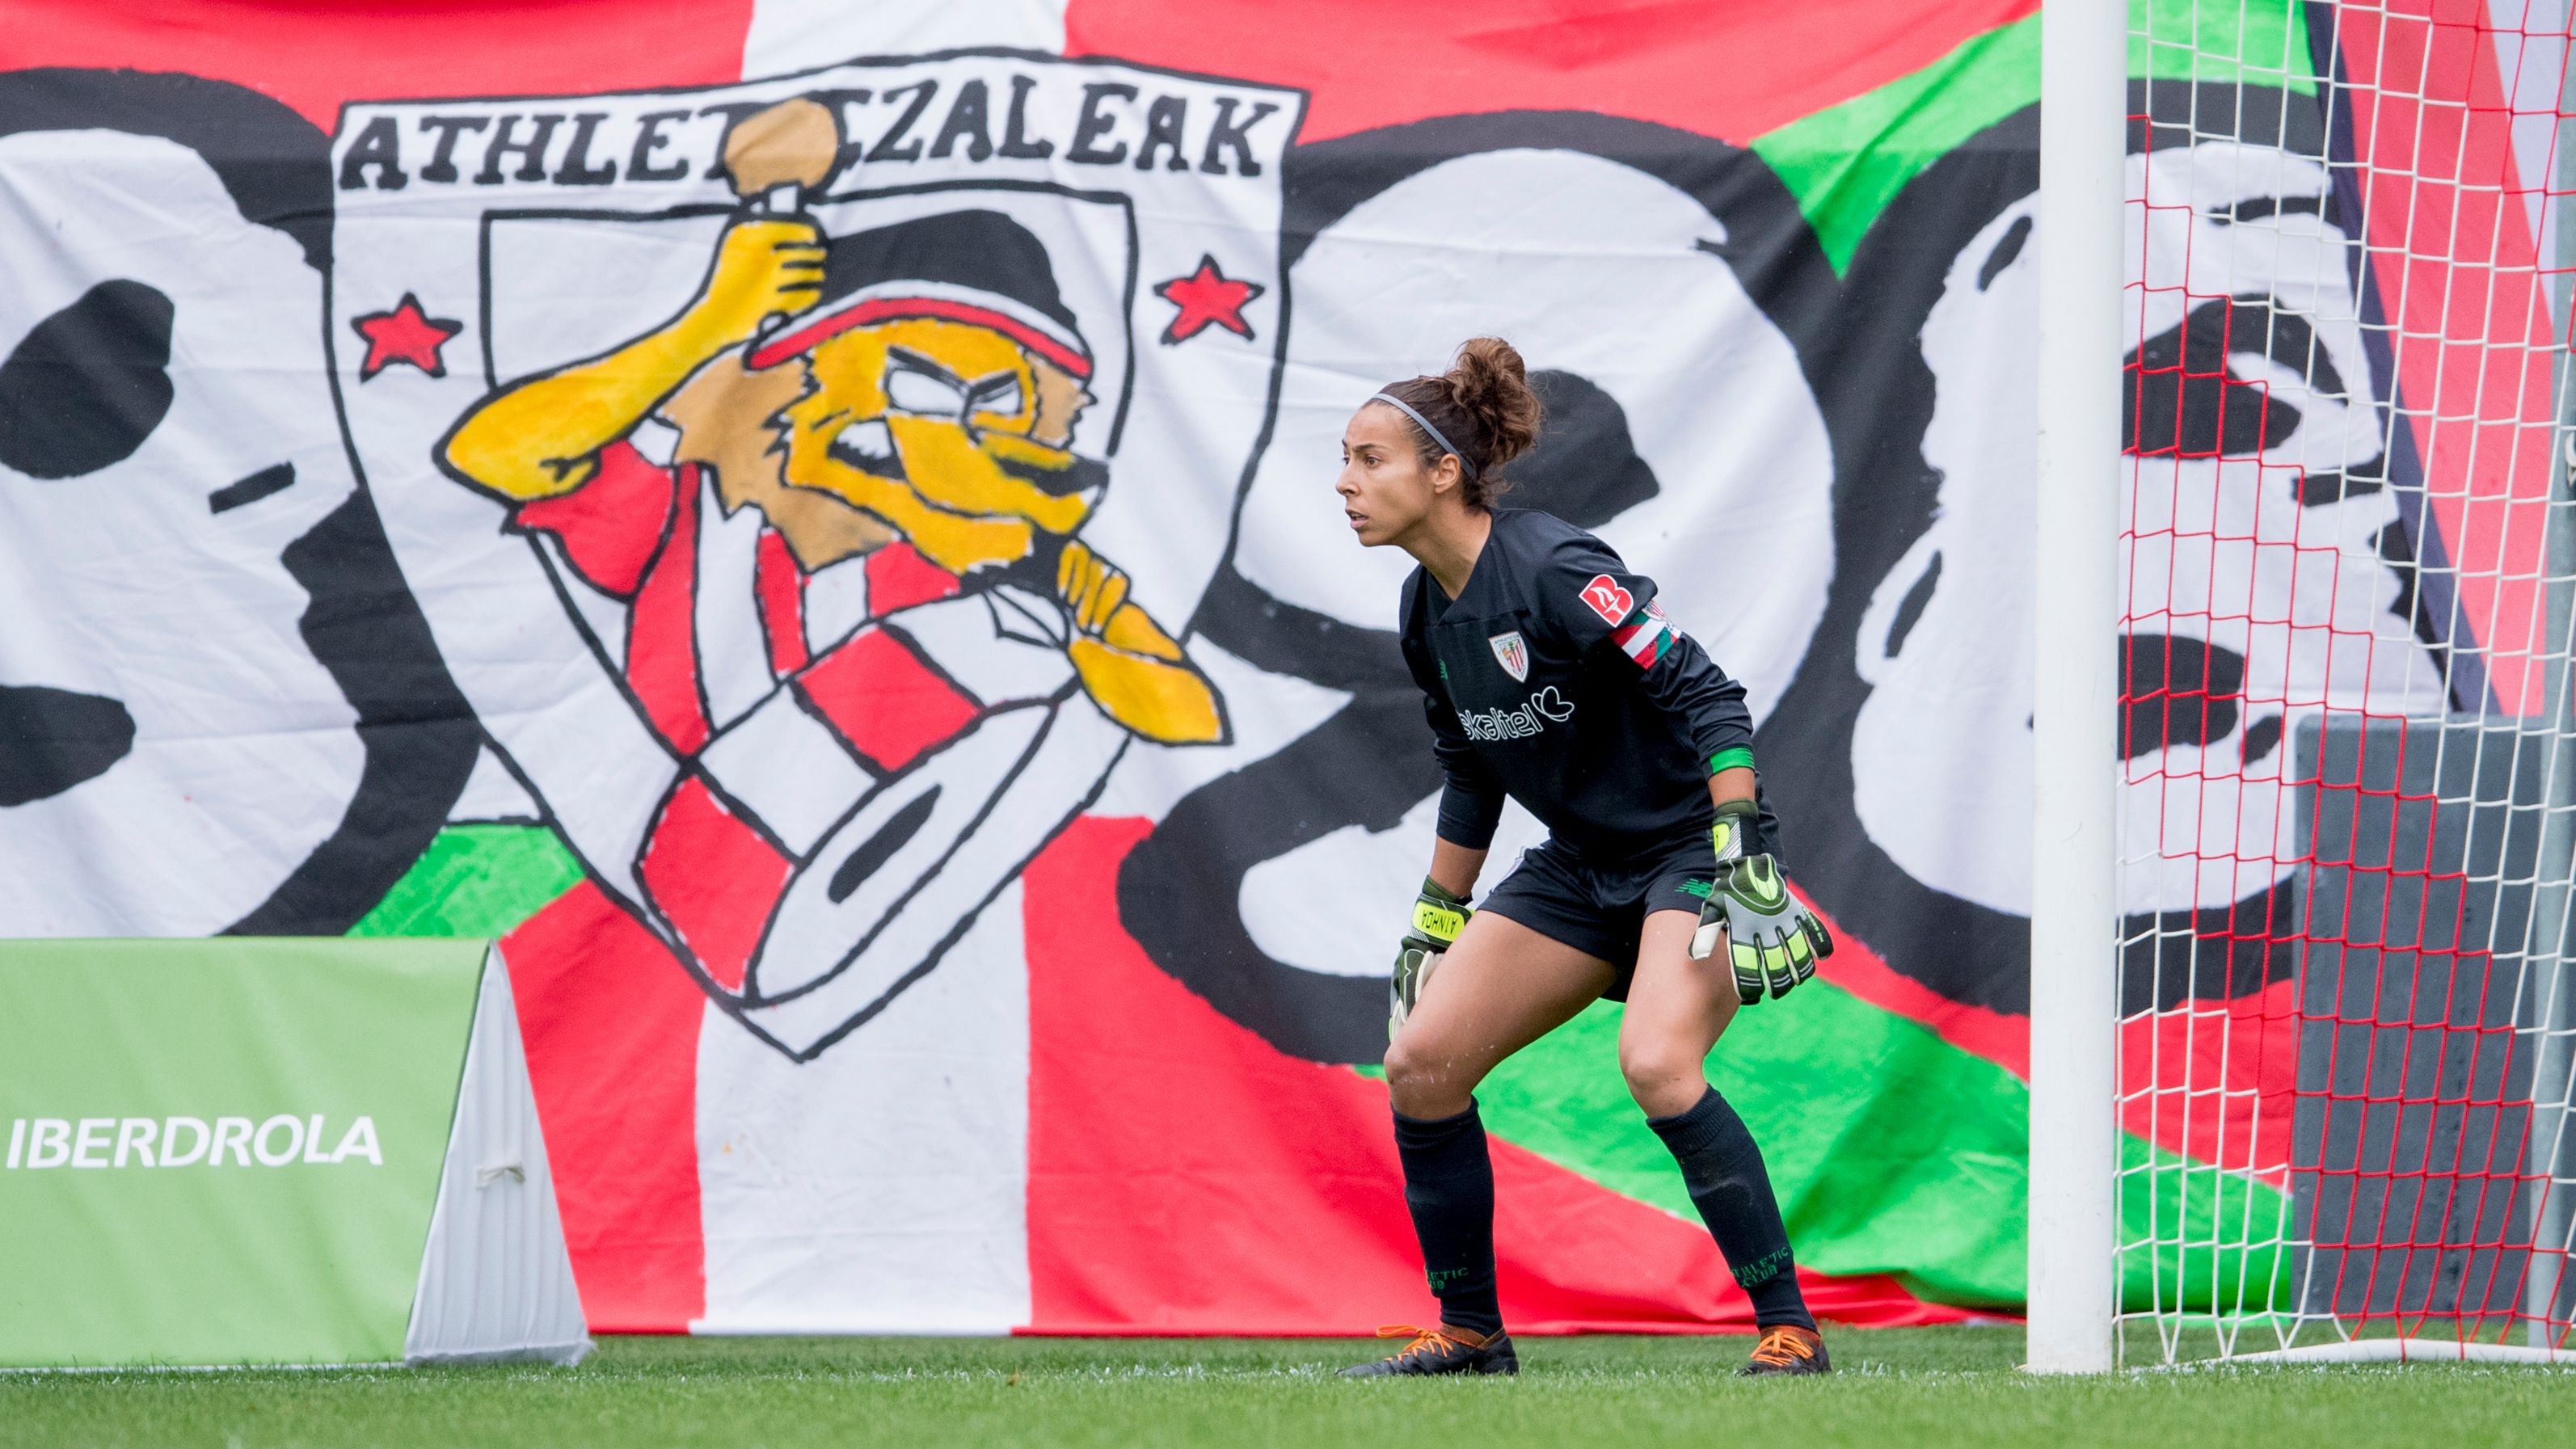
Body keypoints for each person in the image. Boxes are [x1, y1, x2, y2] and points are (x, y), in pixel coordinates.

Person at [1335, 338, 1836, 1378]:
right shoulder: (1424, 608)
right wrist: (1438, 912)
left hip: (1691, 850)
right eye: (1344, 458)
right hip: (1580, 866)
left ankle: (1789, 1327)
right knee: (1420, 1065)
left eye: (1370, 457)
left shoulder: (1557, 567)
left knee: (1656, 1063)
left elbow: (1710, 696)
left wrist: (1740, 838)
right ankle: (1472, 1334)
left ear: (1441, 471)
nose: (1346, 481)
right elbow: (1471, 766)